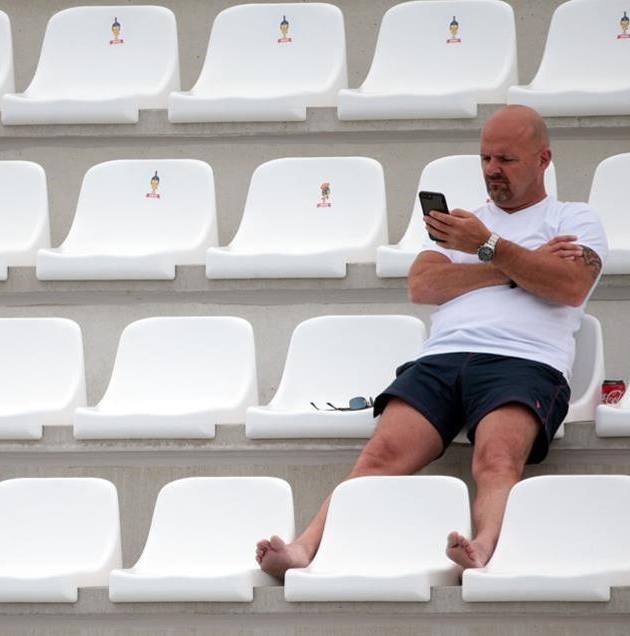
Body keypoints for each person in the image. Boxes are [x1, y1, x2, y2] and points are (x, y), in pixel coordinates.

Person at [257, 105, 607, 576]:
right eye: (485, 159)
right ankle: (303, 548)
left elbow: (569, 285)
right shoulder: (461, 226)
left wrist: (487, 250)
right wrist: (517, 267)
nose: (491, 171)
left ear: (544, 159)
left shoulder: (573, 219)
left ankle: (483, 545)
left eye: (506, 159)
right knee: (380, 455)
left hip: (524, 360)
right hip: (443, 357)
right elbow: (424, 285)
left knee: (497, 458)